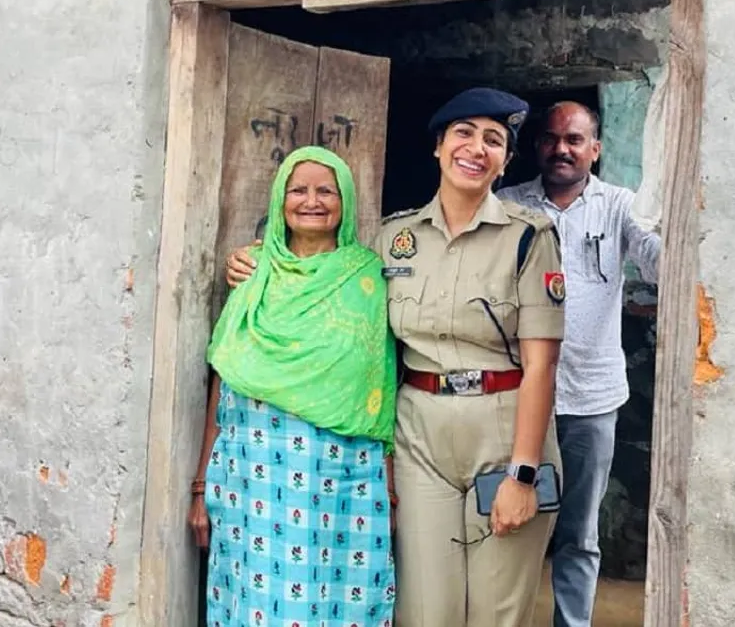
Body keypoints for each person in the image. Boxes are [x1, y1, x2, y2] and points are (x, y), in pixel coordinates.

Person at [226, 87, 568, 627]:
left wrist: (523, 475)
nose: (476, 148)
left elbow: (542, 366)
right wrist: (254, 265)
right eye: (464, 133)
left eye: (494, 140)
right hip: (421, 436)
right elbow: (323, 275)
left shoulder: (529, 238)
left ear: (505, 162)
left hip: (504, 430)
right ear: (438, 147)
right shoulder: (393, 239)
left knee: (497, 613)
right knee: (423, 611)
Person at [189, 146, 398, 627]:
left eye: (326, 190)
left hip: (341, 479)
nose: (312, 201)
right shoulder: (254, 272)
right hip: (251, 473)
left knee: (338, 602)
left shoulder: (367, 276)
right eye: (298, 189)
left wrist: (389, 489)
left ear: (345, 201)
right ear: (280, 201)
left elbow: (379, 389)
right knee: (253, 601)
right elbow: (226, 377)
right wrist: (202, 485)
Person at [497, 101, 661, 627]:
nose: (561, 149)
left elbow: (662, 264)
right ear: (536, 146)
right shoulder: (507, 205)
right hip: (514, 396)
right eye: (551, 138)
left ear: (596, 148)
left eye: (574, 139)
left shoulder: (619, 207)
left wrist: (684, 219)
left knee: (578, 533)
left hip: (591, 398)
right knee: (506, 522)